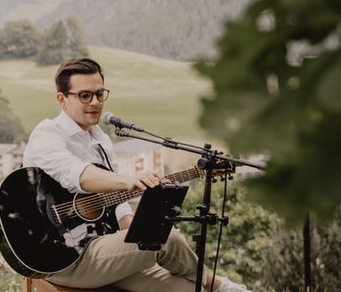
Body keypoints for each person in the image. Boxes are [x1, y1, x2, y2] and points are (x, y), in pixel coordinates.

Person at [22, 57, 250, 292]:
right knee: (166, 238)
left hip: (102, 249)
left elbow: (117, 205)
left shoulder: (100, 140)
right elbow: (77, 174)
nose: (95, 102)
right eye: (85, 95)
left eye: (100, 94)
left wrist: (134, 229)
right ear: (62, 99)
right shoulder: (47, 134)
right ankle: (220, 285)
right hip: (62, 256)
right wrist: (129, 181)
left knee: (187, 288)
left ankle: (211, 286)